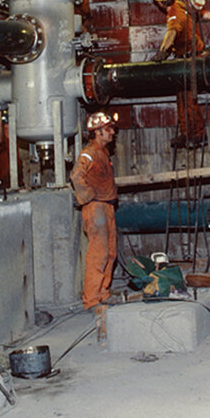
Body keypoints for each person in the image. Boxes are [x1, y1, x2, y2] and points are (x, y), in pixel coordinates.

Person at [69, 111, 118, 310]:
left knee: (111, 253)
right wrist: (88, 197)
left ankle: (102, 293)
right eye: (108, 129)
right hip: (96, 206)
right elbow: (76, 175)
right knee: (99, 254)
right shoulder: (88, 152)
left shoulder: (102, 153)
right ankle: (91, 300)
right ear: (97, 132)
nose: (112, 133)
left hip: (106, 206)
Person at [150, 0, 206, 148]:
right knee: (182, 98)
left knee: (189, 99)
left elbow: (172, 32)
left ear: (159, 2)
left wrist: (163, 51)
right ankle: (186, 133)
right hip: (185, 57)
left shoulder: (174, 13)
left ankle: (198, 135)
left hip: (191, 58)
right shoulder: (179, 5)